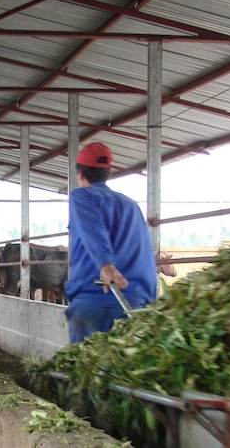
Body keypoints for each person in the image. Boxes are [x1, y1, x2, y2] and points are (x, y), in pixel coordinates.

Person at [65, 142, 157, 343]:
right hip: (134, 303)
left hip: (92, 302)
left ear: (80, 173)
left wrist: (106, 265)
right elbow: (145, 253)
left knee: (82, 368)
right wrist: (149, 299)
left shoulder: (81, 197)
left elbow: (93, 231)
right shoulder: (131, 206)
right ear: (108, 173)